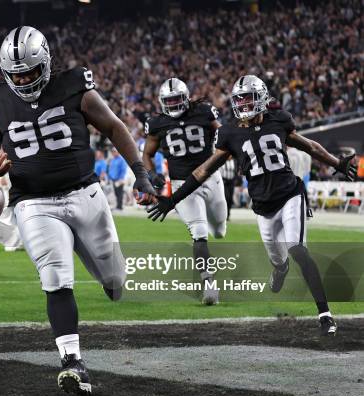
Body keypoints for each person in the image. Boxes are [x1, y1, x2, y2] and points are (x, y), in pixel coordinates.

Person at [0, 26, 156, 396]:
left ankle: (106, 277)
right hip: (33, 202)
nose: (23, 79)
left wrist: (141, 175)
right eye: (16, 74)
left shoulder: (75, 85)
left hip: (85, 194)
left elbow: (114, 126)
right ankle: (72, 361)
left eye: (29, 71)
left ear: (46, 63)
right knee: (55, 277)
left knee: (116, 281)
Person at [147, 75, 357, 336]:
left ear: (262, 97)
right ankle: (280, 270)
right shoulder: (230, 133)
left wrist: (337, 163)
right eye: (240, 99)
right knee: (279, 259)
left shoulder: (279, 120)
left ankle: (325, 315)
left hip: (291, 193)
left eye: (248, 97)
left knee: (298, 249)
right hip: (262, 206)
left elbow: (309, 146)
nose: (244, 103)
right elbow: (203, 171)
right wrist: (173, 199)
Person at [143, 78, 225, 305]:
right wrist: (152, 174)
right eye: (168, 101)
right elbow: (147, 154)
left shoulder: (203, 111)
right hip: (182, 185)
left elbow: (222, 134)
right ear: (162, 102)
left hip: (211, 177)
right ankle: (210, 285)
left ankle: (209, 223)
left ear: (186, 97)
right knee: (199, 233)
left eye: (177, 99)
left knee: (219, 231)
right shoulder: (157, 123)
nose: (173, 104)